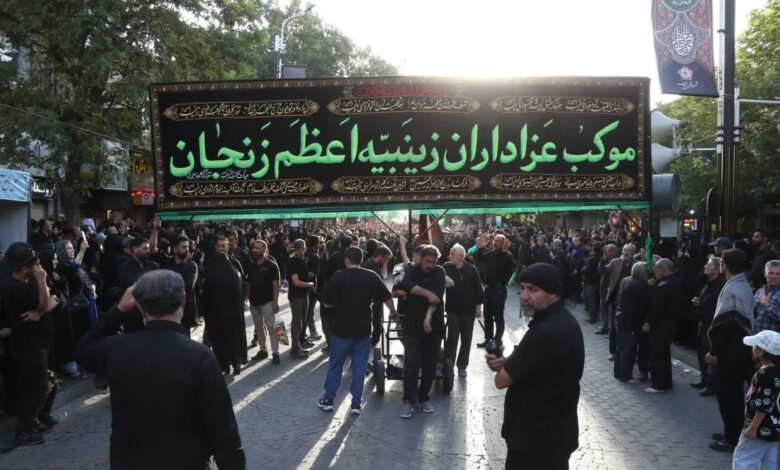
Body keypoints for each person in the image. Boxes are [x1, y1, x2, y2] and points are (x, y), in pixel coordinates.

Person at [74, 271, 246, 469]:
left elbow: (82, 351)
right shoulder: (199, 357)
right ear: (183, 301)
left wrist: (118, 310)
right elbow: (223, 431)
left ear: (139, 306)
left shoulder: (117, 349)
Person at [486, 263, 584, 470]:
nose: (524, 296)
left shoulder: (544, 332)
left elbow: (501, 381)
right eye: (522, 288)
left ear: (552, 293)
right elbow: (541, 367)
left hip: (535, 440)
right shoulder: (564, 321)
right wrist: (509, 362)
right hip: (553, 434)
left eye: (533, 289)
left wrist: (507, 366)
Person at [317, 247, 396, 414]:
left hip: (342, 329)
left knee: (336, 365)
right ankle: (356, 402)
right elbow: (387, 297)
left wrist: (338, 305)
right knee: (360, 366)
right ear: (361, 260)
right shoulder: (371, 276)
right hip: (363, 329)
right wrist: (393, 313)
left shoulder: (338, 276)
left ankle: (329, 399)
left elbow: (327, 303)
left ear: (346, 260)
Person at [0, 244, 57, 446]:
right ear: (24, 268)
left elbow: (52, 300)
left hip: (41, 341)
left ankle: (34, 420)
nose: (39, 267)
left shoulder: (26, 281)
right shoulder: (14, 287)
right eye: (35, 264)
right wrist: (41, 281)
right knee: (36, 387)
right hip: (28, 345)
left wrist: (40, 311)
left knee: (45, 382)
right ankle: (24, 430)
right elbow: (45, 303)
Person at [708, 248, 756, 452]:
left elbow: (725, 326)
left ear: (724, 265)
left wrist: (714, 351)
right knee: (733, 395)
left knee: (728, 396)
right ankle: (731, 430)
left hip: (732, 353)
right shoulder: (742, 285)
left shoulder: (733, 289)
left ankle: (732, 438)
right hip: (741, 350)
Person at [396, 245, 446, 418]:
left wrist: (428, 317)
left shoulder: (439, 272)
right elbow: (406, 285)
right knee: (411, 363)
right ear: (421, 259)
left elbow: (437, 297)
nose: (430, 265)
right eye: (427, 261)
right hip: (413, 325)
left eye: (433, 262)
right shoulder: (412, 270)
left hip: (433, 325)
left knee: (430, 364)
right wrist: (426, 293)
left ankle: (424, 397)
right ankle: (408, 400)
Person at [731, 330, 780, 469]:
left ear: (761, 351)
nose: (752, 348)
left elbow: (763, 403)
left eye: (755, 346)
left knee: (743, 460)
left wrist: (753, 427)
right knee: (769, 462)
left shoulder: (764, 374)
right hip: (775, 427)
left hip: (759, 428)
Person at [203, 237, 248, 375]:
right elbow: (205, 286)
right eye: (219, 246)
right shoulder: (210, 264)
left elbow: (243, 283)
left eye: (224, 246)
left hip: (234, 310)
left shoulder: (235, 263)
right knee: (219, 339)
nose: (222, 248)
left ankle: (236, 363)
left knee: (234, 337)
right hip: (216, 311)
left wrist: (243, 300)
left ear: (228, 247)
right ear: (216, 247)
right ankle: (224, 366)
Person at [443, 244, 484, 377]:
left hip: (468, 310)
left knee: (466, 338)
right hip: (452, 309)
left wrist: (478, 307)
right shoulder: (446, 267)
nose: (449, 256)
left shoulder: (471, 269)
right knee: (452, 337)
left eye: (452, 253)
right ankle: (449, 365)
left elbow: (478, 288)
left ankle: (462, 365)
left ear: (460, 257)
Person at [643, 258, 683, 393]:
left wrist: (648, 322)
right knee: (664, 353)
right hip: (671, 323)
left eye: (656, 268)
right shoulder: (676, 282)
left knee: (657, 355)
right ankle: (666, 382)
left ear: (663, 270)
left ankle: (659, 384)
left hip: (660, 325)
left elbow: (656, 308)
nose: (654, 271)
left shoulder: (663, 286)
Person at [690, 257, 725, 396]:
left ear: (717, 269)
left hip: (712, 326)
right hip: (703, 324)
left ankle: (711, 385)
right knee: (701, 353)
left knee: (710, 356)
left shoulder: (720, 286)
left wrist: (702, 304)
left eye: (709, 265)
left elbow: (716, 307)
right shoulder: (708, 283)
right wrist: (699, 302)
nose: (705, 266)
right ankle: (704, 379)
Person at [475, 234, 516, 348]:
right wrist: (480, 248)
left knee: (498, 317)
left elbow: (511, 269)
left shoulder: (507, 256)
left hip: (499, 290)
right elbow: (478, 259)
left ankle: (498, 340)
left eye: (497, 241)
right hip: (488, 289)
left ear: (503, 243)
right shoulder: (490, 254)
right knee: (487, 316)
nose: (494, 243)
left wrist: (502, 281)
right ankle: (488, 338)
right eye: (494, 240)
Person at [246, 239, 281, 365]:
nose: (255, 250)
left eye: (258, 248)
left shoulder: (272, 265)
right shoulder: (251, 265)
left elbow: (276, 284)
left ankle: (275, 353)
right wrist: (247, 297)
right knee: (258, 328)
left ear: (264, 250)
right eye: (254, 248)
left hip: (268, 302)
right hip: (254, 302)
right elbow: (248, 283)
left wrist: (275, 302)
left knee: (272, 327)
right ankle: (263, 350)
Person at [613, 262, 650, 382]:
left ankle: (618, 372)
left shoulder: (626, 280)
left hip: (621, 317)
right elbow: (644, 305)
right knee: (629, 349)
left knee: (621, 347)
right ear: (643, 273)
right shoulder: (641, 285)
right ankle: (625, 375)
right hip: (631, 321)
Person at [162, 236, 199, 336]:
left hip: (184, 310)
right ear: (175, 249)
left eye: (188, 247)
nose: (187, 249)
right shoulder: (167, 262)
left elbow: (187, 286)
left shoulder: (191, 266)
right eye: (183, 247)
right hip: (167, 309)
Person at [362, 244, 393, 347]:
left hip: (374, 300)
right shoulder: (371, 266)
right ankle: (372, 340)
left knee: (376, 321)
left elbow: (383, 277)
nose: (386, 262)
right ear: (380, 256)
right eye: (386, 259)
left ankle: (373, 339)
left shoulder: (374, 265)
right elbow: (382, 279)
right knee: (375, 321)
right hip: (372, 300)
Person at [287, 239, 314, 359]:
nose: (299, 251)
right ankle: (295, 348)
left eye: (301, 249)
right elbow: (296, 282)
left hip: (303, 295)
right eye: (297, 249)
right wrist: (309, 284)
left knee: (301, 321)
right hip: (296, 296)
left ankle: (298, 345)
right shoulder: (293, 262)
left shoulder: (302, 261)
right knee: (297, 322)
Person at [753, 259, 780, 333]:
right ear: (765, 273)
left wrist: (767, 305)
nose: (774, 276)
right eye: (771, 273)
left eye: (778, 274)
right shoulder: (759, 291)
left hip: (775, 338)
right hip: (756, 337)